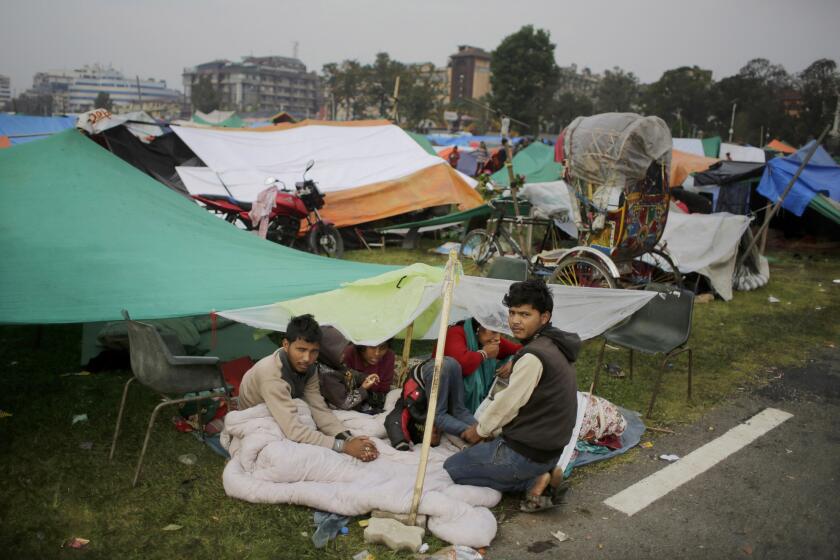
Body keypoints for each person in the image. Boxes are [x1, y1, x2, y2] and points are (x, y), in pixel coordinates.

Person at [443, 280, 580, 512]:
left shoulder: (534, 356)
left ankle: (531, 481)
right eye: (513, 313)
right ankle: (538, 480)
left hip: (525, 453)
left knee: (452, 468)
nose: (515, 321)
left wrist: (480, 430)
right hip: (550, 452)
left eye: (525, 314)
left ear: (544, 317)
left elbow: (508, 403)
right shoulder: (553, 346)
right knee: (482, 459)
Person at [237, 314, 379, 462]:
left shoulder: (310, 368)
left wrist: (349, 438)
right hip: (255, 417)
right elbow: (294, 431)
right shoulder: (272, 374)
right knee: (284, 458)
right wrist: (342, 446)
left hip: (282, 408)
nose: (307, 358)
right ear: (286, 345)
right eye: (301, 349)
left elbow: (319, 408)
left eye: (313, 351)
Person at [385, 356, 476, 450]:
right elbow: (458, 416)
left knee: (437, 417)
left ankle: (478, 432)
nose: (436, 430)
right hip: (452, 364)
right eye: (438, 433)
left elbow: (393, 420)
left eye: (433, 433)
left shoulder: (410, 408)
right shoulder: (446, 417)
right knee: (459, 410)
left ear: (424, 430)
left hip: (434, 369)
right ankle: (485, 432)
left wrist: (401, 443)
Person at [442, 318, 521, 413]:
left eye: (500, 333)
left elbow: (521, 350)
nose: (498, 338)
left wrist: (514, 361)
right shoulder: (455, 333)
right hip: (445, 401)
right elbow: (461, 366)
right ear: (479, 327)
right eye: (494, 331)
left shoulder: (489, 338)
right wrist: (483, 354)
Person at [320, 341, 394, 412]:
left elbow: (352, 373)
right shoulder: (328, 375)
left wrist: (366, 378)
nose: (377, 353)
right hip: (345, 409)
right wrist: (363, 389)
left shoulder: (338, 365)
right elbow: (345, 403)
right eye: (372, 347)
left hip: (363, 403)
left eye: (383, 348)